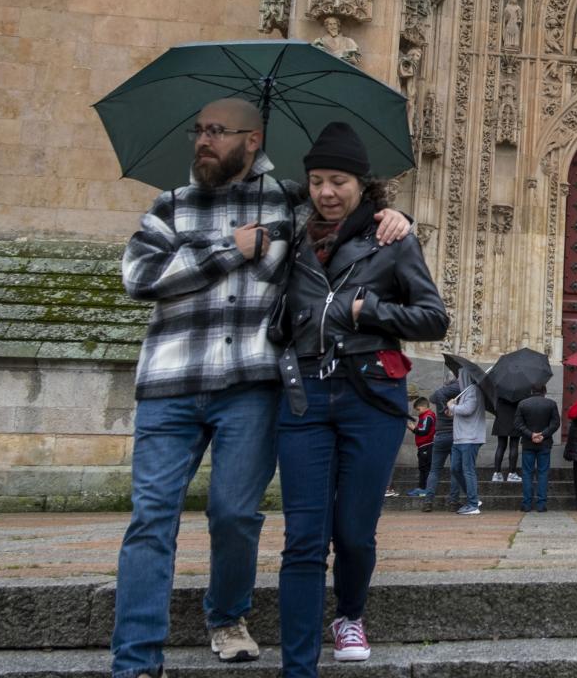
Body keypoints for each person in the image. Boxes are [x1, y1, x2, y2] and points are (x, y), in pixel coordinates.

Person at [113, 98, 406, 678]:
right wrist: (229, 251)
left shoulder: (289, 202)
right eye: (198, 130)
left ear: (253, 141)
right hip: (171, 383)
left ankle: (227, 617)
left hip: (250, 385)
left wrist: (398, 222)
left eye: (217, 131)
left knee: (235, 514)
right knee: (151, 517)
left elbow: (347, 206)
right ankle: (136, 661)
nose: (202, 140)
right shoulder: (169, 207)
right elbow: (138, 276)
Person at [271, 121, 449, 676]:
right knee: (303, 536)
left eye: (339, 181)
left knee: (352, 529)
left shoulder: (392, 239)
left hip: (369, 397)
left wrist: (367, 311)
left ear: (362, 184)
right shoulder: (289, 237)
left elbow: (433, 318)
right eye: (318, 180)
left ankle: (349, 614)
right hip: (302, 396)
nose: (327, 191)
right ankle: (298, 664)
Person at [446, 361, 485, 516]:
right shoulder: (466, 391)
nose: (457, 379)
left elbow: (468, 410)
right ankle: (473, 496)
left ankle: (473, 504)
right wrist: (453, 409)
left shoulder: (473, 390)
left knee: (468, 470)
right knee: (455, 469)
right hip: (460, 438)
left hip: (470, 438)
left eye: (459, 376)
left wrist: (452, 407)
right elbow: (462, 411)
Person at [515, 383, 559, 513]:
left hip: (528, 443)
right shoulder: (551, 404)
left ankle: (527, 504)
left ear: (531, 391)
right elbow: (555, 423)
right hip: (544, 444)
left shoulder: (523, 404)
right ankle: (541, 504)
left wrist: (530, 434)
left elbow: (517, 423)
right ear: (544, 391)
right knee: (543, 473)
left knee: (527, 473)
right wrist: (543, 434)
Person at [422, 375, 460, 512]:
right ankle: (453, 502)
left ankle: (428, 501)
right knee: (455, 471)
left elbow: (432, 397)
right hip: (456, 436)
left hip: (440, 435)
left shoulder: (440, 394)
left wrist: (444, 388)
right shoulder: (461, 393)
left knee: (434, 470)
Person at [405, 397, 435, 496]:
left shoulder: (428, 416)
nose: (418, 412)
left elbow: (424, 431)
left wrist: (413, 429)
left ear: (423, 407)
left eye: (418, 409)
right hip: (423, 446)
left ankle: (425, 489)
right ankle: (422, 488)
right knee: (423, 468)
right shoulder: (425, 416)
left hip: (427, 446)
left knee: (425, 468)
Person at [489, 392, 521, 484]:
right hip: (515, 421)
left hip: (501, 421)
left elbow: (494, 407)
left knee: (500, 446)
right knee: (514, 446)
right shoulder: (520, 391)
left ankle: (497, 473)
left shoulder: (500, 390)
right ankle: (512, 474)